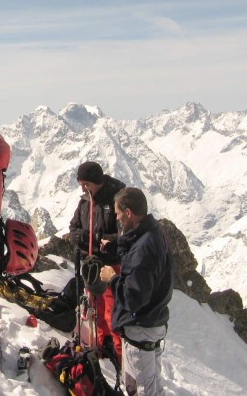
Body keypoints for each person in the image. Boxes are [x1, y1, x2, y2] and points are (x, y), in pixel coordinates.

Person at [100, 187, 173, 396]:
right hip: (153, 320)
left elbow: (133, 298)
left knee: (137, 389)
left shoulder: (143, 248)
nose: (117, 218)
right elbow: (136, 257)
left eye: (118, 213)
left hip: (140, 327)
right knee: (152, 386)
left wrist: (111, 278)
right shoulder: (152, 233)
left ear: (128, 212)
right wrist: (114, 247)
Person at [68, 161, 125, 364]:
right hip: (91, 265)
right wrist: (83, 237)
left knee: (112, 312)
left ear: (95, 181)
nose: (83, 188)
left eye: (85, 184)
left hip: (111, 264)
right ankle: (101, 346)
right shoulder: (85, 201)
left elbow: (122, 234)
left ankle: (119, 356)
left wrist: (96, 238)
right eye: (81, 184)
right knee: (95, 309)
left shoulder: (116, 199)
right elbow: (73, 227)